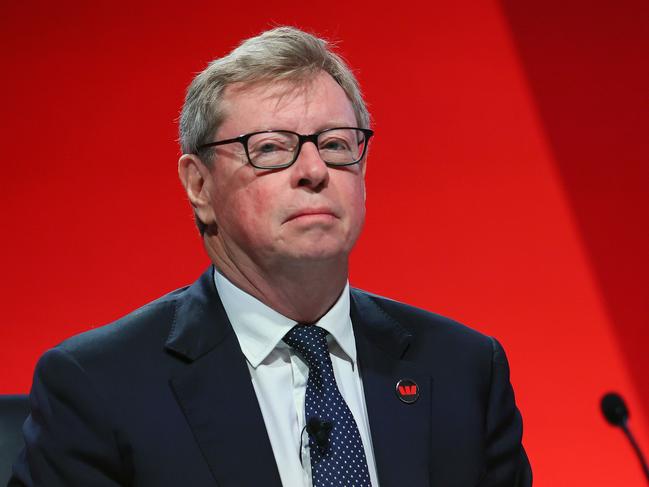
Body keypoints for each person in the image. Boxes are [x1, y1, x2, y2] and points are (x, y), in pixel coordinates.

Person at [9, 26, 532, 486]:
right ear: (199, 184)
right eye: (272, 148)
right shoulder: (100, 387)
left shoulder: (463, 369)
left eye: (335, 144)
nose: (314, 170)